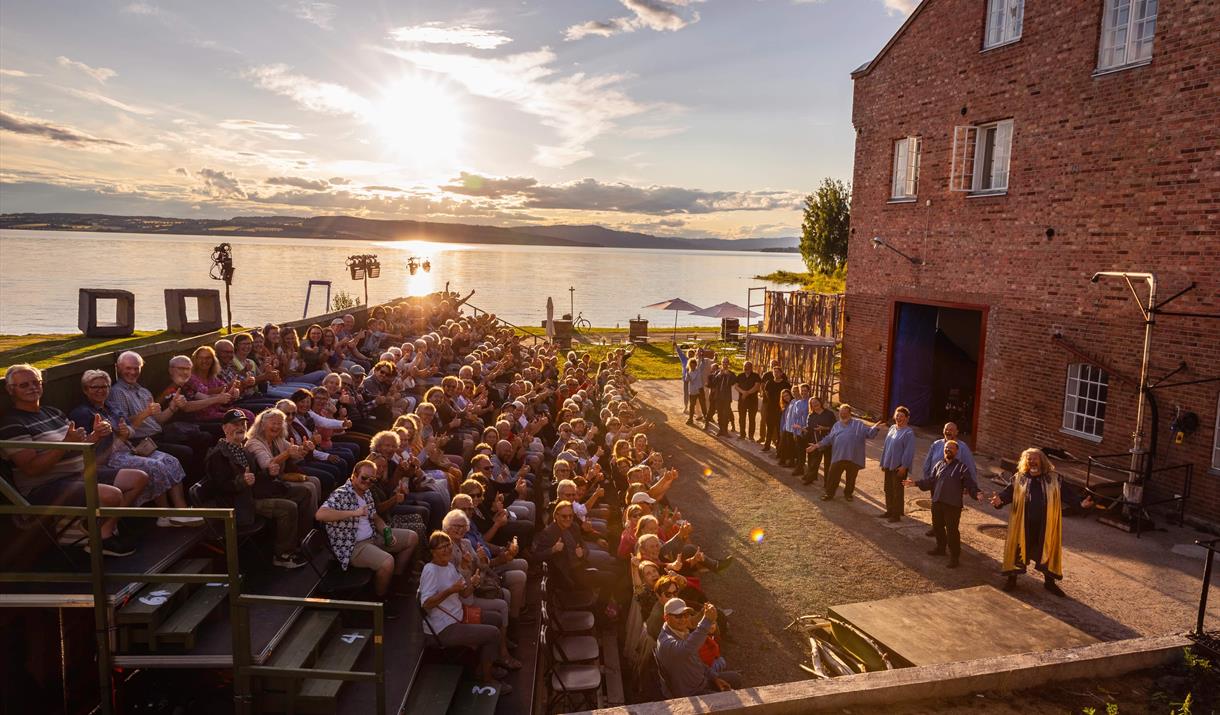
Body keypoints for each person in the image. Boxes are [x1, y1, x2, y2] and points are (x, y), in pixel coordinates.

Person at [1, 364, 148, 556]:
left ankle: (103, 530)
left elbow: (77, 447)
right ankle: (103, 538)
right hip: (44, 486)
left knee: (139, 478)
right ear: (11, 390)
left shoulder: (53, 412)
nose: (32, 388)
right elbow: (31, 469)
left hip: (78, 474)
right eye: (24, 385)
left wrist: (95, 436)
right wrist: (66, 443)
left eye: (36, 382)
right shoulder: (12, 423)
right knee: (112, 495)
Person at [69, 370, 201, 526]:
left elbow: (129, 430)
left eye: (104, 387)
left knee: (170, 460)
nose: (100, 390)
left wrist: (126, 431)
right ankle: (164, 515)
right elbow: (84, 444)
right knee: (156, 466)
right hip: (107, 457)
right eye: (94, 387)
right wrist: (99, 434)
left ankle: (181, 509)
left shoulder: (111, 408)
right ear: (86, 389)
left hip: (128, 449)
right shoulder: (82, 413)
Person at [203, 409, 307, 568]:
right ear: (225, 428)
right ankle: (282, 555)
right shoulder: (218, 455)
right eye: (235, 424)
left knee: (303, 490)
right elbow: (219, 487)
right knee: (289, 508)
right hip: (238, 504)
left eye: (243, 424)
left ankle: (299, 540)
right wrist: (241, 481)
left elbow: (255, 477)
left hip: (253, 494)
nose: (240, 427)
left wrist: (268, 473)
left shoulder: (242, 449)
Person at [316, 461, 420, 616]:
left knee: (412, 537)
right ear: (354, 475)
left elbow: (374, 516)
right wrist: (352, 513)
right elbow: (320, 514)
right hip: (353, 546)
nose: (367, 482)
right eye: (364, 478)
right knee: (387, 562)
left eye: (372, 480)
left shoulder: (366, 492)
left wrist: (385, 530)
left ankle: (394, 583)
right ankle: (379, 601)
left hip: (372, 536)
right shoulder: (341, 493)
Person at [419, 531, 512, 696]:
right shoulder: (430, 570)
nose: (447, 550)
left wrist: (473, 584)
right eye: (442, 547)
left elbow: (464, 593)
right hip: (443, 628)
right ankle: (487, 678)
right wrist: (449, 591)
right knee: (492, 634)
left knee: (496, 619)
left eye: (448, 545)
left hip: (460, 614)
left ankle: (485, 664)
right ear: (433, 551)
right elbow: (426, 603)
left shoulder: (449, 566)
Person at [990, 448, 1066, 596]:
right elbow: (1007, 494)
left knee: (1047, 550)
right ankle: (1012, 580)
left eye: (1035, 459)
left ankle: (1049, 583)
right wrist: (999, 501)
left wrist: (1081, 504)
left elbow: (1069, 495)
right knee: (1017, 550)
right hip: (1023, 525)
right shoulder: (1019, 478)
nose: (1032, 462)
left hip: (1045, 525)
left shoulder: (1054, 479)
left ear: (1042, 461)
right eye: (1029, 459)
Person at [904, 440, 979, 568]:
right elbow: (931, 481)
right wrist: (915, 483)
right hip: (937, 501)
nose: (947, 450)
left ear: (956, 451)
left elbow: (970, 484)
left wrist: (976, 493)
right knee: (937, 527)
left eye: (951, 448)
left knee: (952, 532)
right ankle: (940, 548)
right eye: (946, 448)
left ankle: (954, 557)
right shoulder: (939, 464)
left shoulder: (962, 467)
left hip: (952, 505)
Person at [655, 598, 741, 697]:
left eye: (686, 615)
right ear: (666, 618)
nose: (683, 619)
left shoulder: (681, 632)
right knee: (732, 699)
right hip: (692, 693)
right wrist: (707, 621)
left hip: (702, 681)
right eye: (678, 616)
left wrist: (714, 678)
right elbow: (686, 649)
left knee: (736, 678)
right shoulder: (666, 642)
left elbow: (697, 662)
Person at [816, 405, 883, 502]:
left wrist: (876, 428)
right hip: (839, 456)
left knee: (851, 478)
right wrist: (817, 445)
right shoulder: (837, 425)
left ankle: (848, 494)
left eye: (845, 412)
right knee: (833, 476)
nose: (842, 414)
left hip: (853, 456)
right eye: (841, 412)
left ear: (849, 413)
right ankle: (829, 494)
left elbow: (869, 434)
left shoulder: (858, 424)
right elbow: (829, 438)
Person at [921, 422, 977, 537]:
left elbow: (970, 466)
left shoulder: (962, 447)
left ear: (957, 432)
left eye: (951, 430)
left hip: (953, 486)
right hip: (936, 483)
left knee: (950, 511)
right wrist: (927, 479)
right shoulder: (936, 444)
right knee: (936, 507)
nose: (948, 431)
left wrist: (971, 487)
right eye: (946, 429)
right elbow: (928, 462)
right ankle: (936, 528)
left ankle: (950, 532)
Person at [877, 406, 915, 522]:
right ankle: (889, 511)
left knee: (897, 491)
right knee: (888, 488)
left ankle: (896, 515)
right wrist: (883, 462)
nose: (899, 418)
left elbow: (909, 451)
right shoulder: (893, 428)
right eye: (897, 415)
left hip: (899, 467)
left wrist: (904, 466)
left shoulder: (908, 433)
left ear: (907, 418)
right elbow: (886, 446)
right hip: (888, 464)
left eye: (902, 416)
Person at [802, 396, 836, 486]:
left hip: (828, 443)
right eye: (813, 403)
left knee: (828, 464)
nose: (815, 404)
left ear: (820, 402)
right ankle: (810, 478)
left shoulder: (829, 414)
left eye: (816, 402)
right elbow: (809, 428)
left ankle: (827, 483)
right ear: (811, 406)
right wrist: (804, 429)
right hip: (815, 442)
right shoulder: (811, 416)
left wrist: (824, 428)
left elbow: (835, 428)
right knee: (813, 462)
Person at [759, 363, 791, 453]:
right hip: (770, 408)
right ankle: (767, 446)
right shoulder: (769, 383)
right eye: (774, 372)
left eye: (777, 372)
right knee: (769, 428)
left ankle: (779, 448)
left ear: (781, 373)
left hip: (781, 409)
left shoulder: (785, 384)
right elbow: (766, 393)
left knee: (779, 429)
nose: (775, 374)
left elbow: (788, 396)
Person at [708, 358, 736, 438]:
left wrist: (729, 375)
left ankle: (725, 431)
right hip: (718, 397)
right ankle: (721, 430)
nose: (725, 364)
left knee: (726, 414)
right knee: (719, 414)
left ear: (728, 364)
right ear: (721, 363)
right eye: (723, 362)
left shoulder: (731, 373)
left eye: (726, 362)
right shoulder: (717, 372)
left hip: (727, 397)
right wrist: (718, 375)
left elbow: (733, 382)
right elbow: (713, 383)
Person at [734, 361, 761, 441]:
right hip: (742, 401)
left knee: (752, 419)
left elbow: (757, 386)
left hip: (753, 401)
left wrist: (747, 393)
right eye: (745, 366)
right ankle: (742, 435)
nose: (746, 368)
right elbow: (736, 386)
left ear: (751, 367)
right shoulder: (740, 375)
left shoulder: (756, 376)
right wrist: (743, 392)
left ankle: (751, 436)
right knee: (742, 418)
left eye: (748, 366)